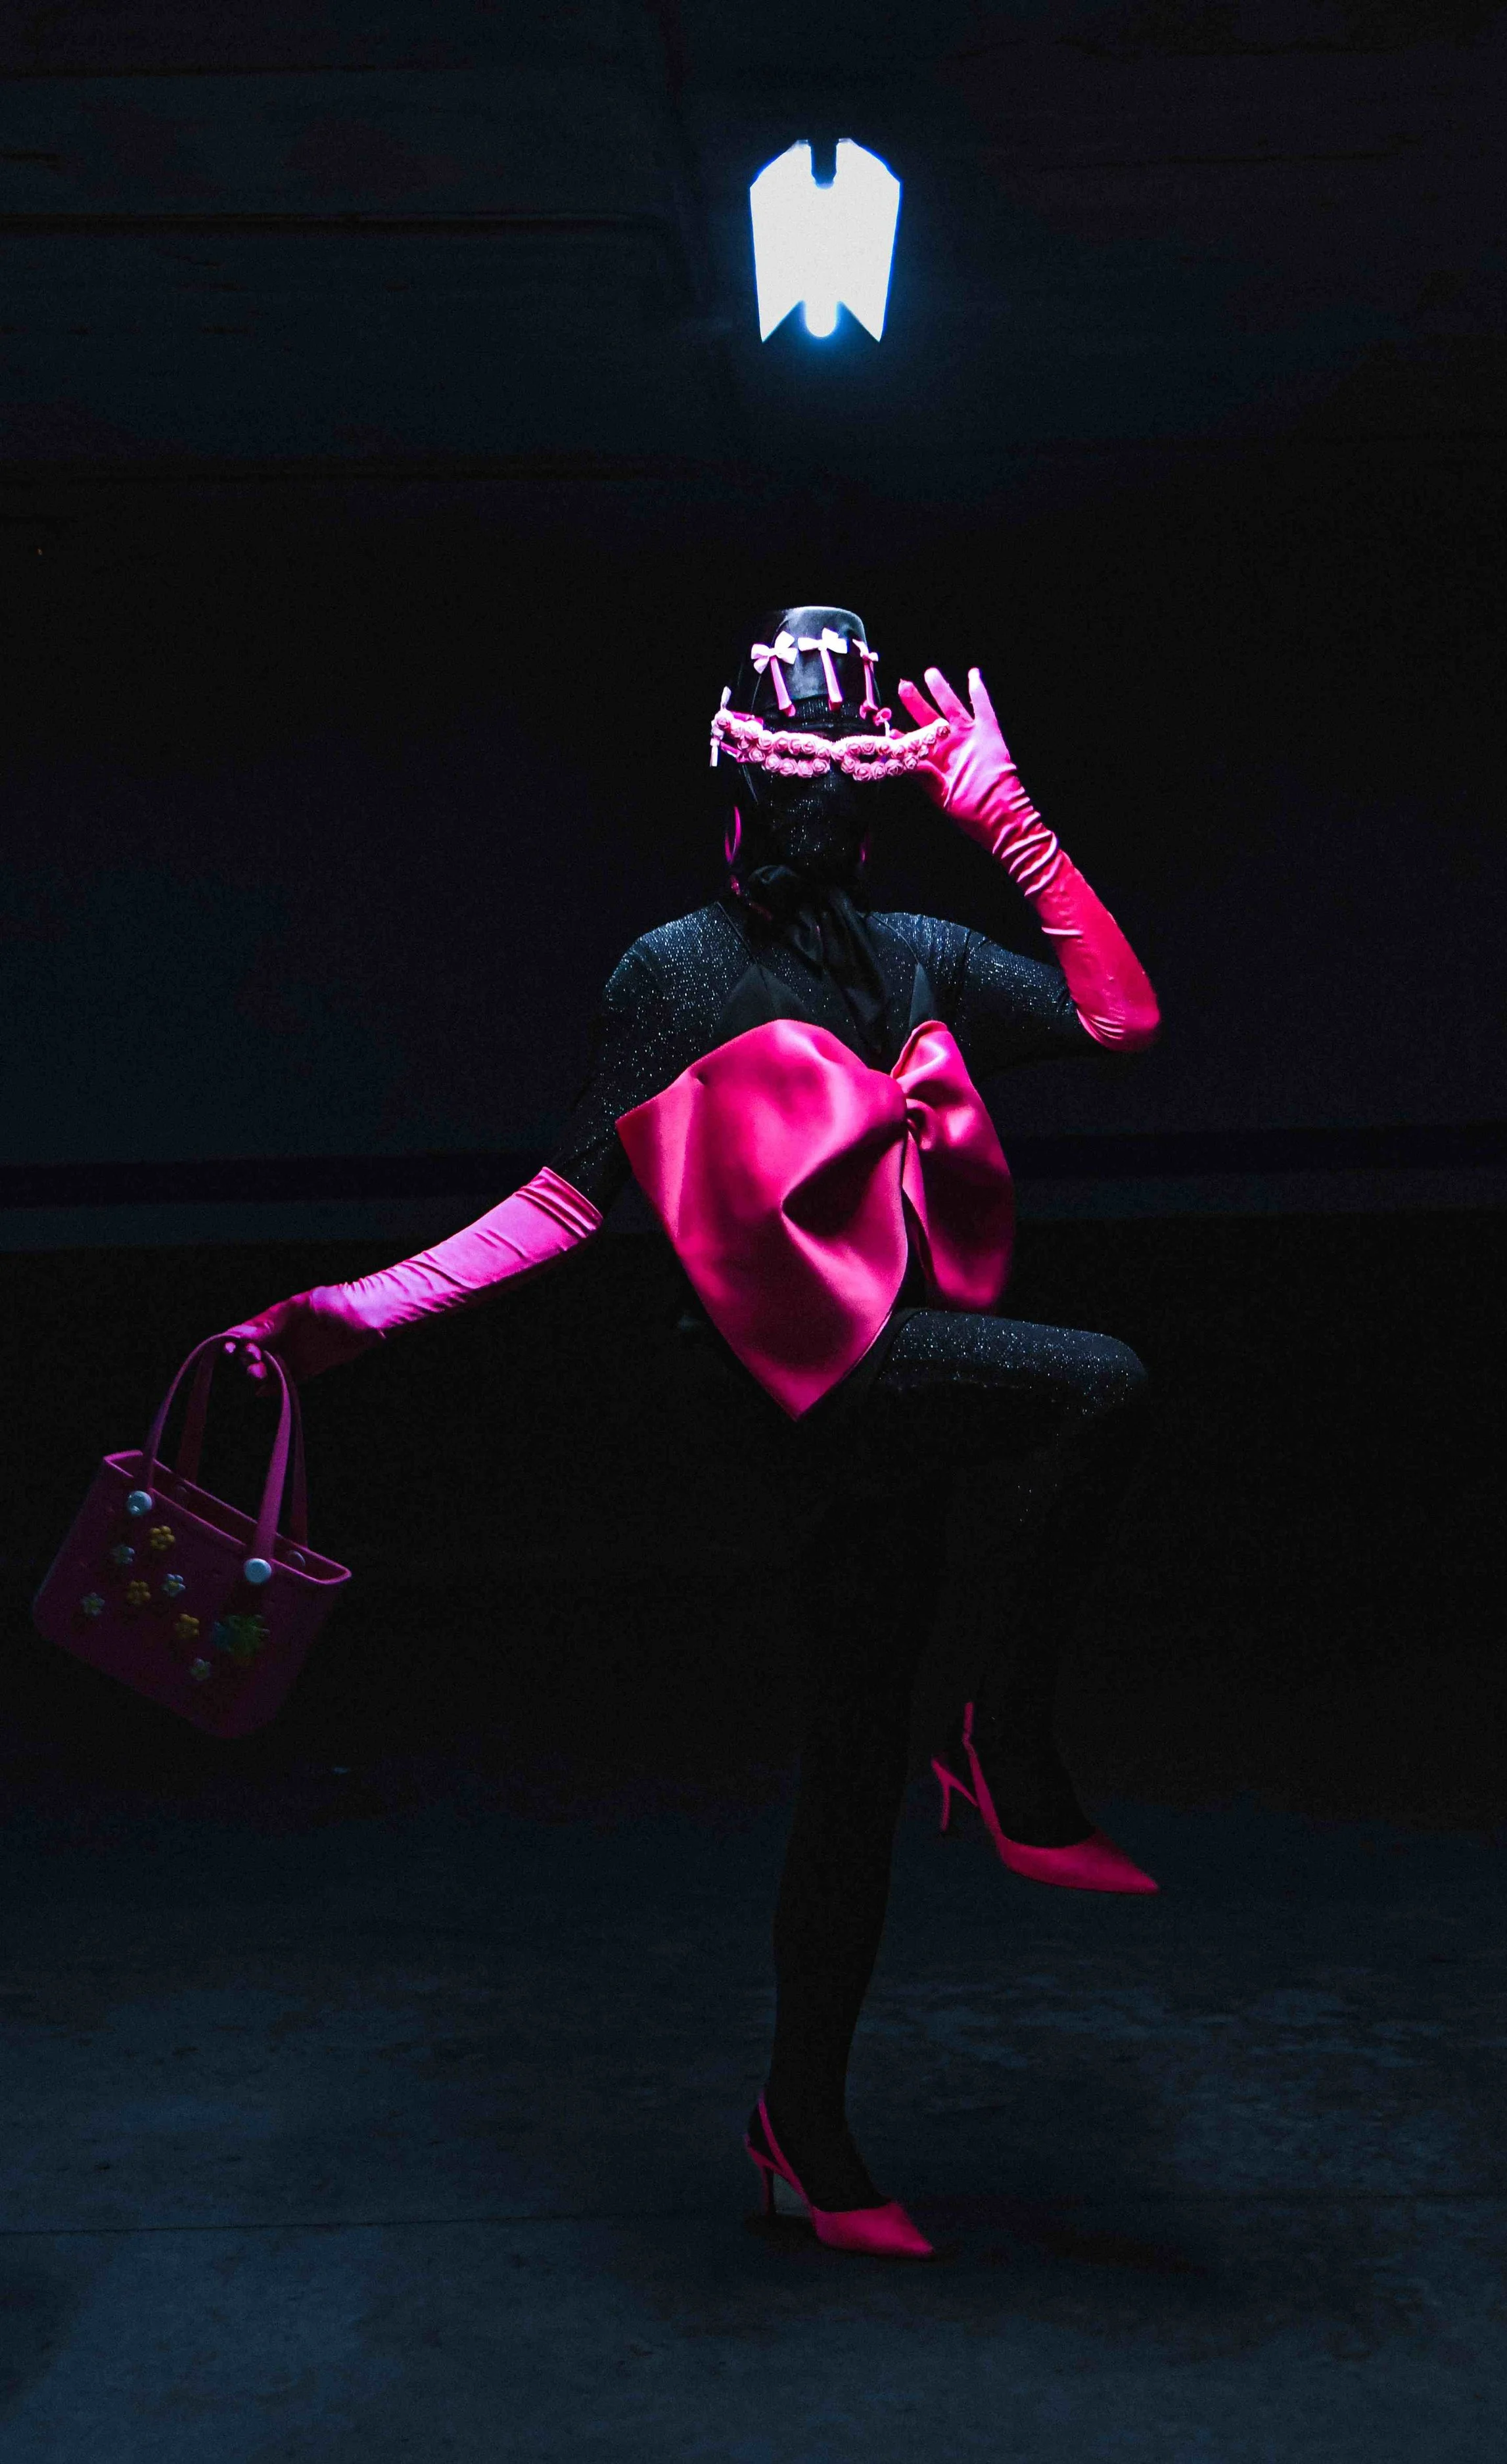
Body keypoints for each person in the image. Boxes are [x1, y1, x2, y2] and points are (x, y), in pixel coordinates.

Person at [222, 605, 1161, 2260]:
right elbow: (565, 1202)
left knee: (853, 1771)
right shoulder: (676, 972)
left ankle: (802, 2120)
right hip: (788, 1385)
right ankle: (1001, 1750)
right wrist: (357, 1311)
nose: (808, 811)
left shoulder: (916, 956)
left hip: (899, 1372)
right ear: (736, 788)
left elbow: (1117, 1020)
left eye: (835, 786)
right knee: (1097, 1380)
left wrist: (1009, 819)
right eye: (791, 779)